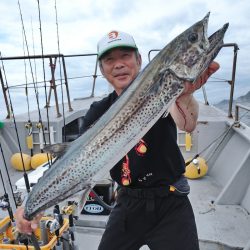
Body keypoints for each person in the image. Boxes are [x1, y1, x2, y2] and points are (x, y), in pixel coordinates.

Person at [15, 30, 219, 249]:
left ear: (139, 60)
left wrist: (185, 94)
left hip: (172, 201)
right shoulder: (98, 111)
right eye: (109, 60)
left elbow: (188, 125)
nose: (119, 64)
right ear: (102, 70)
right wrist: (30, 205)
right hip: (127, 203)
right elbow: (72, 160)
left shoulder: (163, 89)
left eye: (125, 56)